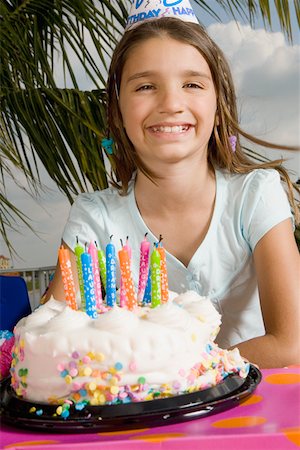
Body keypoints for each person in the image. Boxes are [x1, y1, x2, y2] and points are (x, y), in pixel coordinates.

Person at [46, 1, 300, 369]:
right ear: (118, 110)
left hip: (253, 418)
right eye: (146, 86)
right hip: (142, 422)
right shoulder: (95, 218)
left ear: (219, 104)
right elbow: (52, 342)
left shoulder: (255, 196)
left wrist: (168, 367)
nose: (171, 103)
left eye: (192, 84)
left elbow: (291, 344)